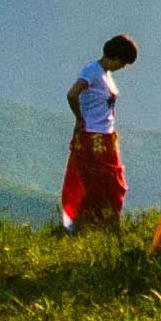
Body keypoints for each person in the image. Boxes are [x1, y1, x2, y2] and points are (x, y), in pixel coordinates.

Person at [62, 33, 138, 231]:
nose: (123, 67)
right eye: (122, 62)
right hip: (92, 136)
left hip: (106, 137)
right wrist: (79, 118)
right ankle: (91, 226)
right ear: (115, 57)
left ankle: (105, 225)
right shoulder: (92, 71)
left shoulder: (106, 75)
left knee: (112, 183)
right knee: (98, 183)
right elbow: (72, 94)